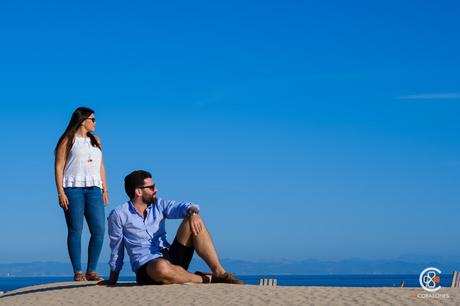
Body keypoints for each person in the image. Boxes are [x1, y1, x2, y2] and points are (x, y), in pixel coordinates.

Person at [99, 170, 243, 285]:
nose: (156, 189)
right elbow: (116, 248)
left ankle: (219, 272)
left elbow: (183, 206)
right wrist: (113, 279)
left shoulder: (159, 204)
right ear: (138, 191)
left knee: (192, 220)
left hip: (170, 256)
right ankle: (204, 279)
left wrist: (193, 212)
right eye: (151, 187)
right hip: (147, 266)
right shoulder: (118, 214)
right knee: (161, 267)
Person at [54, 107, 109, 281]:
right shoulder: (67, 140)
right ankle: (78, 271)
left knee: (99, 229)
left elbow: (101, 166)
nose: (95, 122)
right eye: (92, 119)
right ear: (82, 120)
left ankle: (91, 270)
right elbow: (59, 167)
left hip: (94, 189)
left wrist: (105, 189)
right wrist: (60, 192)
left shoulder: (96, 140)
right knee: (75, 230)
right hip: (73, 189)